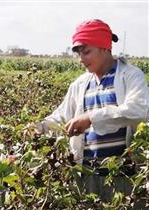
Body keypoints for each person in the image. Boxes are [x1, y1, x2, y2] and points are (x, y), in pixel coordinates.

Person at [25, 19, 149, 202]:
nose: (81, 59)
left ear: (105, 48)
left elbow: (138, 110)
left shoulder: (130, 76)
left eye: (86, 52)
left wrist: (91, 117)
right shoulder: (80, 84)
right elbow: (61, 116)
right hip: (87, 176)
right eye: (78, 53)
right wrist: (40, 127)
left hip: (124, 178)